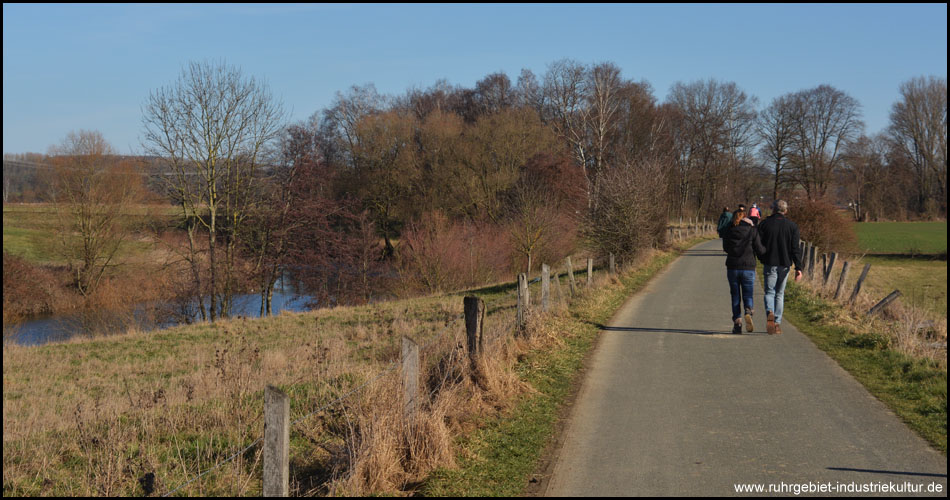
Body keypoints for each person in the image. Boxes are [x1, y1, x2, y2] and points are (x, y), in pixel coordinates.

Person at [756, 199, 804, 335]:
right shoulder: (792, 226)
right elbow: (795, 248)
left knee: (769, 292)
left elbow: (758, 245)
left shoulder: (764, 224)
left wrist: (762, 258)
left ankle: (769, 312)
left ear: (773, 209)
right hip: (785, 263)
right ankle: (777, 323)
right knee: (779, 294)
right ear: (786, 210)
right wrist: (798, 267)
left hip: (770, 262)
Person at [722, 206, 766, 334]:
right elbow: (760, 249)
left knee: (735, 296)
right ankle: (748, 310)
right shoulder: (752, 231)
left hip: (732, 267)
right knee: (748, 293)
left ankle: (737, 323)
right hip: (748, 267)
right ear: (746, 217)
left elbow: (726, 248)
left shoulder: (729, 231)